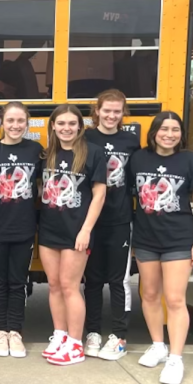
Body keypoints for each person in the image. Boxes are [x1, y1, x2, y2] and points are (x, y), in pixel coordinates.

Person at [129, 111, 193, 384]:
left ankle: (175, 358)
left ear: (181, 134)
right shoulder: (138, 158)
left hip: (179, 239)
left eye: (175, 129)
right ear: (154, 132)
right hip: (145, 238)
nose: (169, 134)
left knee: (175, 299)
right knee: (149, 294)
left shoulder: (191, 161)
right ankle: (158, 346)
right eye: (164, 129)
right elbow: (130, 196)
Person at [38, 105, 106, 366]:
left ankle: (76, 344)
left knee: (70, 286)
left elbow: (99, 194)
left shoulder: (92, 153)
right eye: (61, 123)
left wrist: (86, 230)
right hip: (49, 228)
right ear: (53, 126)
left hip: (76, 231)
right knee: (54, 285)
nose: (66, 128)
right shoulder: (46, 154)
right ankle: (60, 335)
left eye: (71, 123)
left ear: (80, 126)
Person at [83, 90, 140, 360]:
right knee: (92, 280)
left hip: (119, 220)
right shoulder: (86, 138)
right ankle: (92, 332)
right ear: (97, 110)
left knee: (118, 280)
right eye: (107, 110)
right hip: (91, 221)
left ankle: (118, 335)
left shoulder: (130, 142)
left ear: (123, 113)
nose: (111, 115)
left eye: (117, 111)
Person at [0, 102, 43, 358]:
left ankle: (15, 331)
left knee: (18, 282)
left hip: (24, 226)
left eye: (21, 121)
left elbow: (44, 186)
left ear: (27, 123)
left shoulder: (35, 150)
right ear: (2, 123)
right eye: (11, 121)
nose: (16, 126)